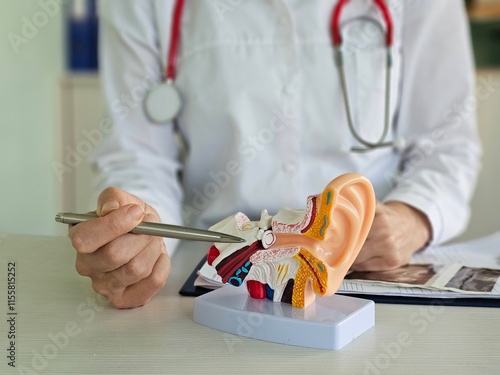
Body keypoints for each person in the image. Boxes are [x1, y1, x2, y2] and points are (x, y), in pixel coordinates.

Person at [68, 0, 481, 308]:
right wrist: (143, 228)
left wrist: (413, 217)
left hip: (371, 271)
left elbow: (447, 146)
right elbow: (140, 155)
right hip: (219, 269)